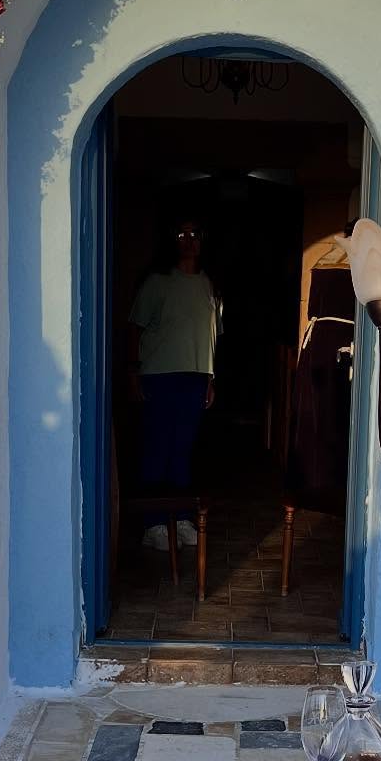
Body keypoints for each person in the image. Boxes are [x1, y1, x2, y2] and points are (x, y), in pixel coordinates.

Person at [127, 216, 220, 548]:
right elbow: (135, 327)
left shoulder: (209, 284)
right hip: (160, 376)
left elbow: (211, 336)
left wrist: (210, 379)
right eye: (182, 233)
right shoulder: (158, 282)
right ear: (172, 239)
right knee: (157, 449)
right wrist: (133, 372)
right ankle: (153, 525)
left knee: (182, 451)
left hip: (195, 377)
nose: (189, 240)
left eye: (195, 234)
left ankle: (180, 518)